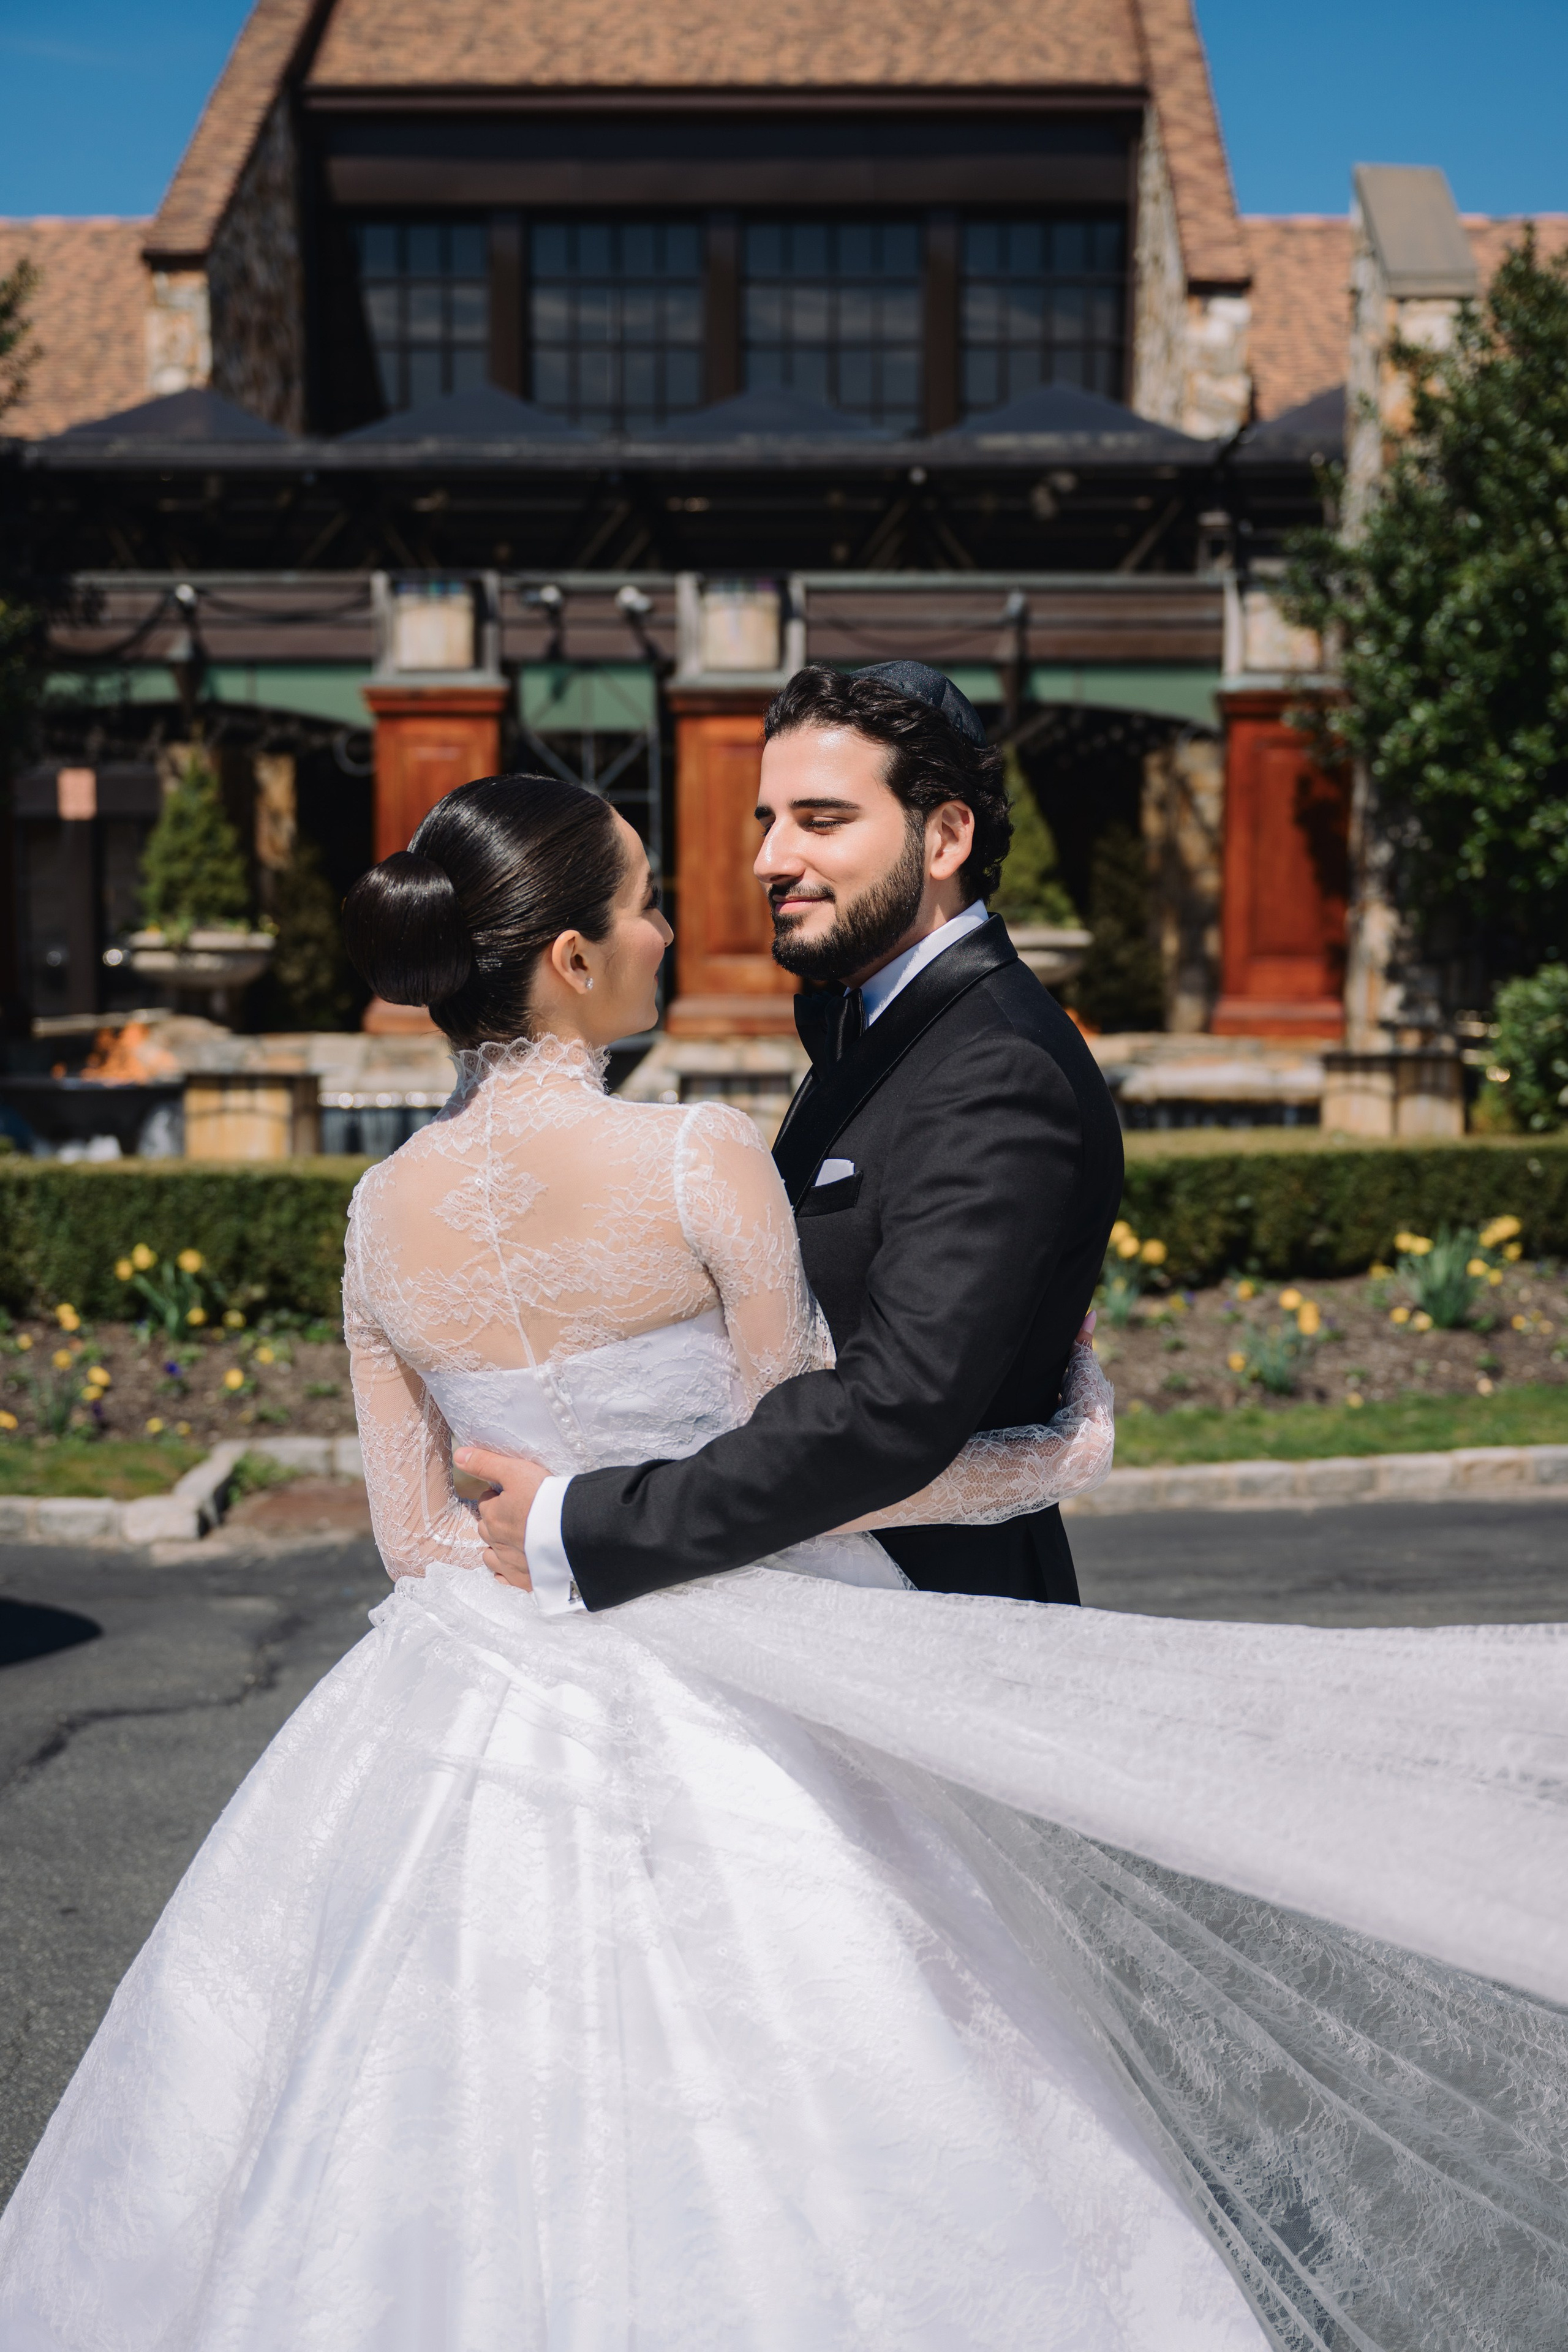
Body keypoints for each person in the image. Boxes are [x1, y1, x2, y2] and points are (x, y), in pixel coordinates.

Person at [2, 769, 1564, 2352]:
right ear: (570, 960)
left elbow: (416, 1544)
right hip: (728, 1685)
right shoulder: (698, 1158)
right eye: (645, 901)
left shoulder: (376, 1214)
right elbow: (804, 1481)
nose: (680, 924)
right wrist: (1067, 1439)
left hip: (448, 1702)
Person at [462, 662, 1123, 1613]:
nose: (772, 859)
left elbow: (889, 1417)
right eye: (768, 823)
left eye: (821, 821)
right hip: (808, 1610)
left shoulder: (996, 1071)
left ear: (945, 838)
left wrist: (584, 1524)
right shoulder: (880, 1030)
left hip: (931, 1627)